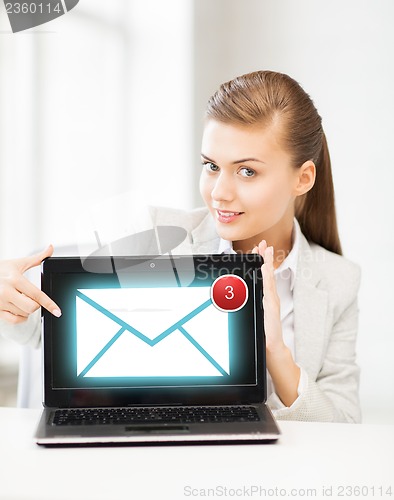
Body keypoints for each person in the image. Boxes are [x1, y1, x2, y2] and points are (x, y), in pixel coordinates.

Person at [0, 70, 361, 422]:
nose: (219, 193)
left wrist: (276, 353)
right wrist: (7, 294)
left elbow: (343, 425)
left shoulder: (338, 281)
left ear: (303, 178)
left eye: (247, 171)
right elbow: (45, 331)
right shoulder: (154, 236)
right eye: (211, 166)